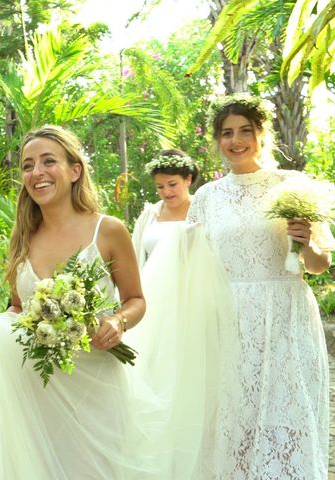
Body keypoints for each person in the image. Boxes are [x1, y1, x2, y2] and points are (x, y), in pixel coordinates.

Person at [0, 125, 147, 479]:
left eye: (48, 162)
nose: (36, 173)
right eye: (28, 165)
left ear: (75, 171)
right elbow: (18, 309)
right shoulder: (23, 237)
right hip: (36, 389)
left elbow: (136, 300)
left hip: (95, 385)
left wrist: (117, 322)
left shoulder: (108, 230)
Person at [188, 93, 334, 479]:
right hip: (228, 319)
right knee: (235, 418)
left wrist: (307, 242)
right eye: (226, 133)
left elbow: (320, 265)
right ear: (217, 140)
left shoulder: (292, 184)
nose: (236, 141)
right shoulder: (206, 198)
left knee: (287, 413)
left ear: (262, 134)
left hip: (285, 315)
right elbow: (193, 267)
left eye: (245, 131)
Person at [132, 149, 199, 269]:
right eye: (160, 186)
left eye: (172, 184)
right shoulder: (149, 216)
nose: (167, 192)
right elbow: (135, 256)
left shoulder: (202, 211)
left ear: (188, 179)